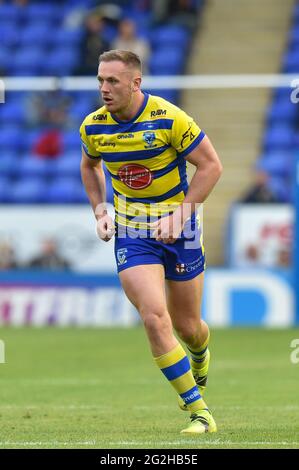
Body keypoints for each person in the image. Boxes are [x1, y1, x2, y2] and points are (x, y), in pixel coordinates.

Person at [80, 50, 222, 434]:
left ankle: (199, 356)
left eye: (112, 81)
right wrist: (99, 209)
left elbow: (211, 166)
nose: (104, 89)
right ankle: (200, 412)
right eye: (100, 81)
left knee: (188, 326)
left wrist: (181, 215)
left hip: (182, 229)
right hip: (132, 231)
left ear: (135, 82)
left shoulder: (169, 118)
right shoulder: (93, 127)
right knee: (154, 317)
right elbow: (89, 165)